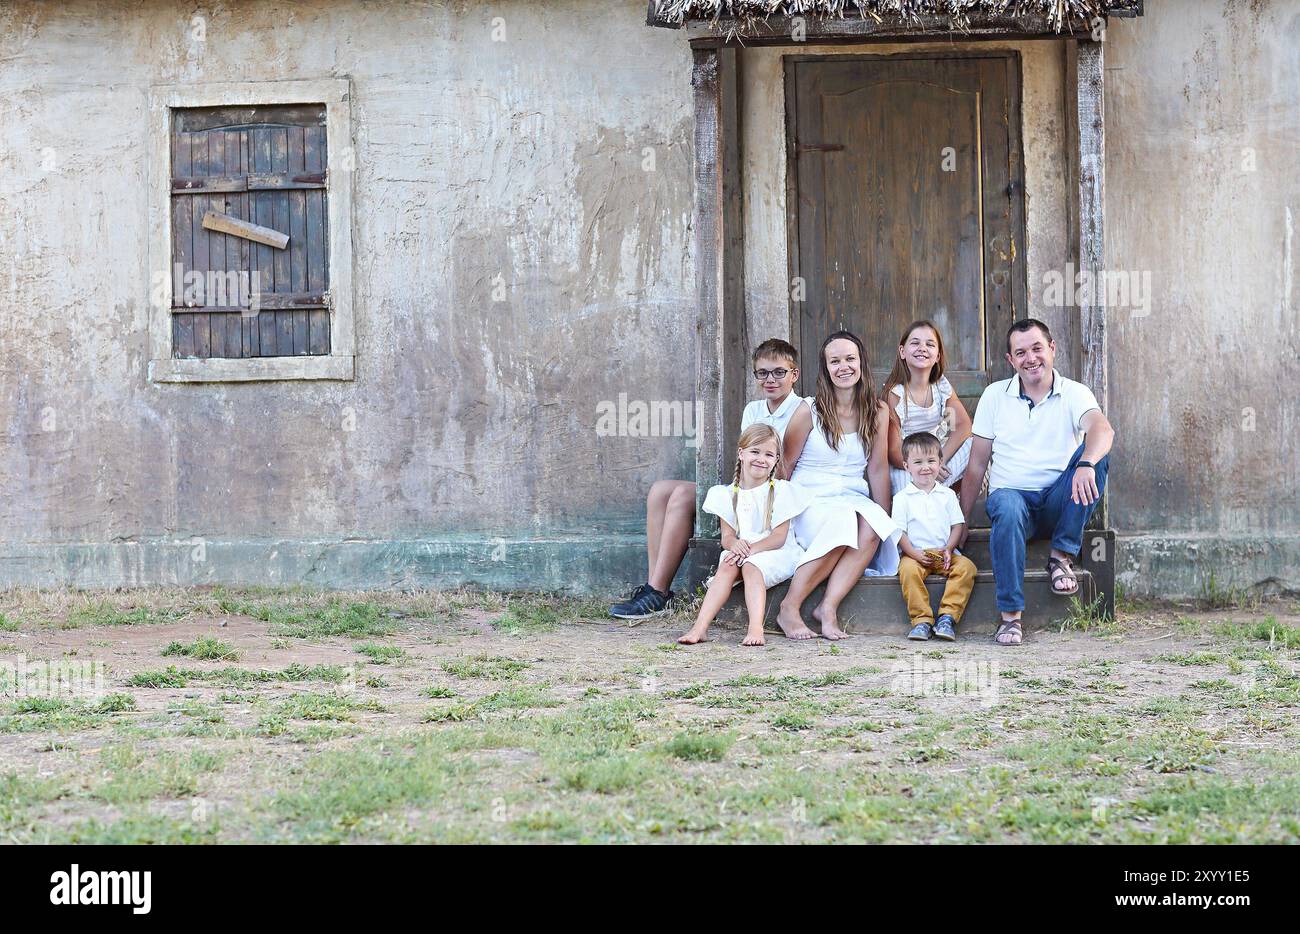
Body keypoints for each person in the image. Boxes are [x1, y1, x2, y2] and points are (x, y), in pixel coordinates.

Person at [610, 339, 803, 620]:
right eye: (762, 373)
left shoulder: (801, 409)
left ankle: (658, 590)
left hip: (770, 492)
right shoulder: (754, 410)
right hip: (747, 482)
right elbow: (745, 459)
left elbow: (784, 468)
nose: (770, 379)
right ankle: (655, 588)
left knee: (682, 497)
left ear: (794, 374)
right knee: (660, 491)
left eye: (778, 372)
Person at [960, 319, 1115, 646]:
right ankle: (1011, 618)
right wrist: (960, 520)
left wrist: (1086, 462)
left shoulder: (1074, 392)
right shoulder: (993, 396)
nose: (1030, 358)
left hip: (1061, 501)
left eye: (1036, 348)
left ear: (1052, 349)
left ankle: (1060, 557)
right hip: (1014, 505)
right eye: (1021, 352)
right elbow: (976, 465)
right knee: (1005, 501)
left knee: (1098, 457)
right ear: (1010, 360)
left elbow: (1103, 430)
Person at [775, 331, 902, 641]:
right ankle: (789, 607)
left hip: (851, 498)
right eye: (835, 361)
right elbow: (785, 466)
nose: (843, 367)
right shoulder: (809, 410)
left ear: (861, 364)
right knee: (844, 522)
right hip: (810, 499)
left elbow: (877, 467)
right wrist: (775, 519)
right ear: (825, 368)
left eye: (850, 359)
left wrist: (883, 517)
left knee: (872, 525)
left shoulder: (878, 411)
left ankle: (827, 608)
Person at [678, 424, 809, 647]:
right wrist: (735, 546)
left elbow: (779, 537)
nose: (761, 459)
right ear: (741, 453)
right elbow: (727, 537)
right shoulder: (726, 494)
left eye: (769, 454)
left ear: (776, 460)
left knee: (750, 566)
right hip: (744, 549)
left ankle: (755, 628)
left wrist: (748, 551)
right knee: (728, 564)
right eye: (755, 452)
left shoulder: (782, 491)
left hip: (776, 551)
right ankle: (700, 627)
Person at [893, 432, 977, 642]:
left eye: (931, 461)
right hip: (915, 553)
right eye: (918, 462)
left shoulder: (947, 495)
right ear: (906, 466)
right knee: (908, 571)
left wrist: (949, 548)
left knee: (967, 567)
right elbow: (899, 532)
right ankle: (921, 620)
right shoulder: (902, 498)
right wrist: (912, 553)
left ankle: (947, 616)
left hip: (944, 552)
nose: (925, 467)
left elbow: (957, 525)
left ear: (940, 463)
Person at [882, 320, 973, 495]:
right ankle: (930, 498)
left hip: (937, 457)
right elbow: (893, 451)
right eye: (915, 343)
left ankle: (951, 505)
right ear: (902, 352)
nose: (922, 348)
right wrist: (923, 467)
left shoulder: (940, 386)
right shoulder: (895, 394)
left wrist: (938, 461)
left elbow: (961, 426)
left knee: (975, 447)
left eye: (930, 344)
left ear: (938, 355)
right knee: (908, 489)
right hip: (907, 465)